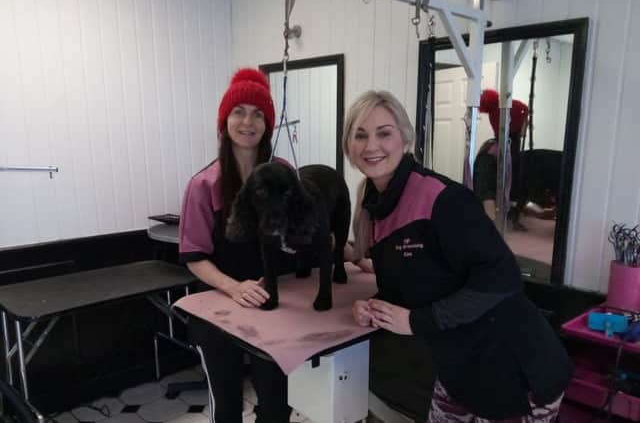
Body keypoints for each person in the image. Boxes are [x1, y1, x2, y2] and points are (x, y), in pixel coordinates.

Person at [344, 90, 573, 422]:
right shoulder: (374, 208)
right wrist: (374, 307)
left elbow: (502, 278)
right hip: (459, 368)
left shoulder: (442, 199)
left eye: (384, 132)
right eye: (360, 135)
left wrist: (416, 321)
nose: (371, 145)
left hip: (515, 368)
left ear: (405, 138)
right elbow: (410, 284)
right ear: (349, 147)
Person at [179, 67, 295, 423]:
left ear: (268, 124)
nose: (249, 122)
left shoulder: (284, 172)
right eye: (239, 111)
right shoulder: (204, 185)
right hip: (219, 308)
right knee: (227, 406)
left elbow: (297, 231)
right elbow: (194, 256)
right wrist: (234, 288)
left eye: (259, 113)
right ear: (224, 120)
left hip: (274, 305)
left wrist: (345, 250)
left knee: (276, 406)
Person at [474, 89, 555, 224]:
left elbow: (511, 197)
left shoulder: (512, 154)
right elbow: (486, 198)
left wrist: (538, 212)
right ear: (512, 123)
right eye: (525, 120)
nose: (529, 124)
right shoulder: (489, 156)